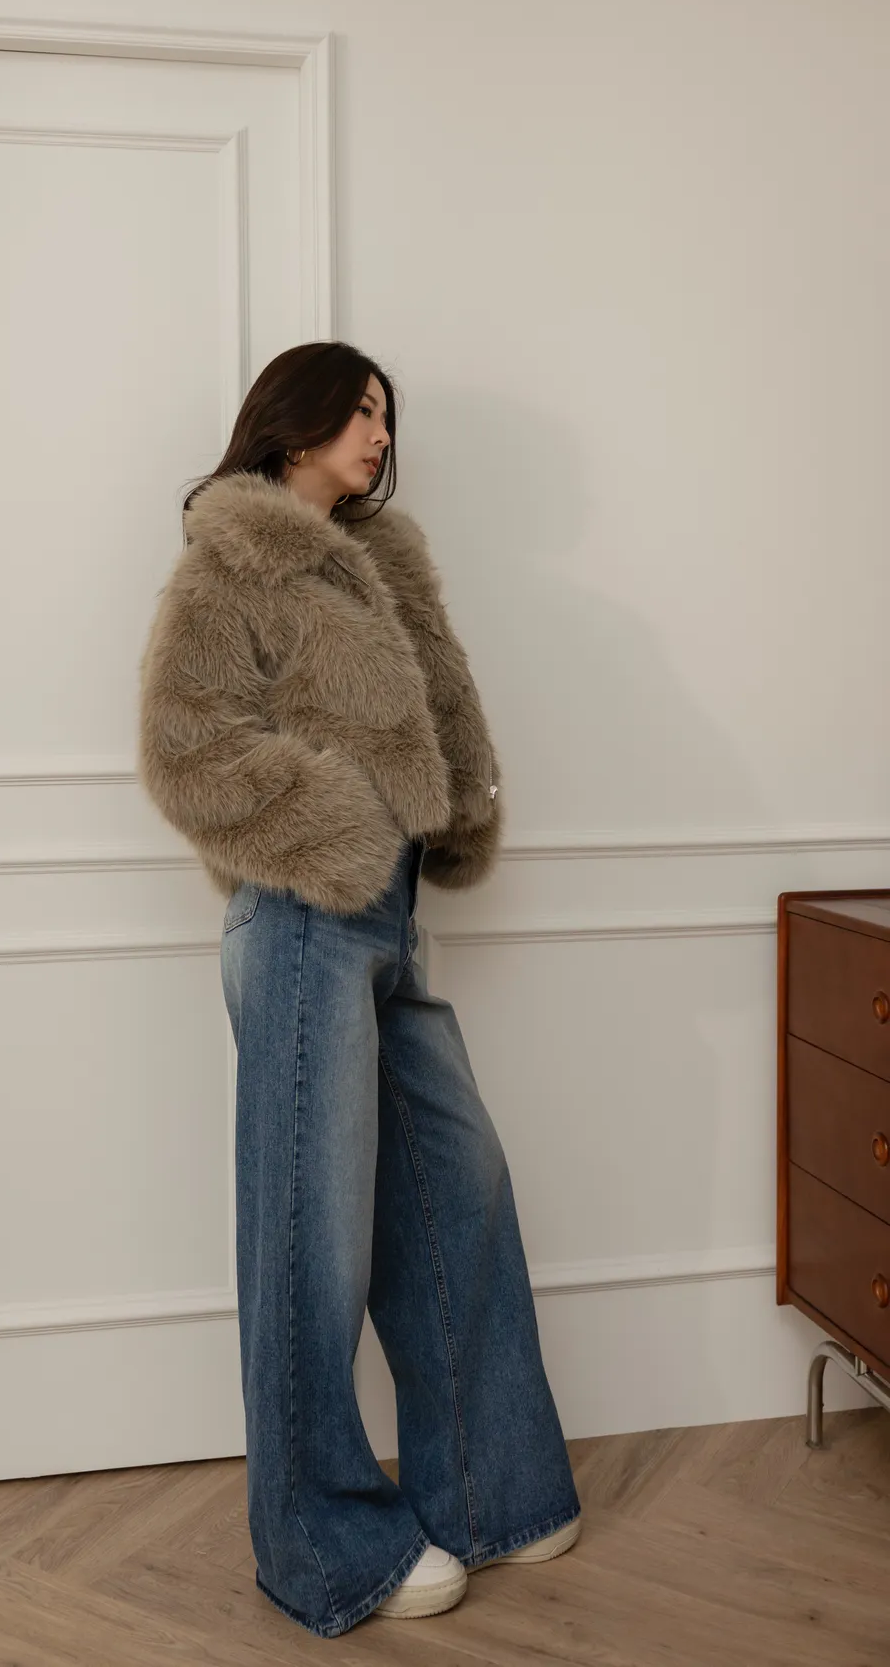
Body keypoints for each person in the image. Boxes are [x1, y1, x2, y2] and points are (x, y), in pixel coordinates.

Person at [136, 341, 581, 1639]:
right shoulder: (232, 560)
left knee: (457, 1189)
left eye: (388, 414)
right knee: (310, 1234)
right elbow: (184, 748)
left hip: (390, 917)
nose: (380, 435)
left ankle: (490, 1490)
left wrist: (438, 820)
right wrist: (338, 825)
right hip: (299, 916)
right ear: (297, 423)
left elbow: (427, 723)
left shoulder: (377, 564)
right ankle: (321, 1543)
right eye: (360, 411)